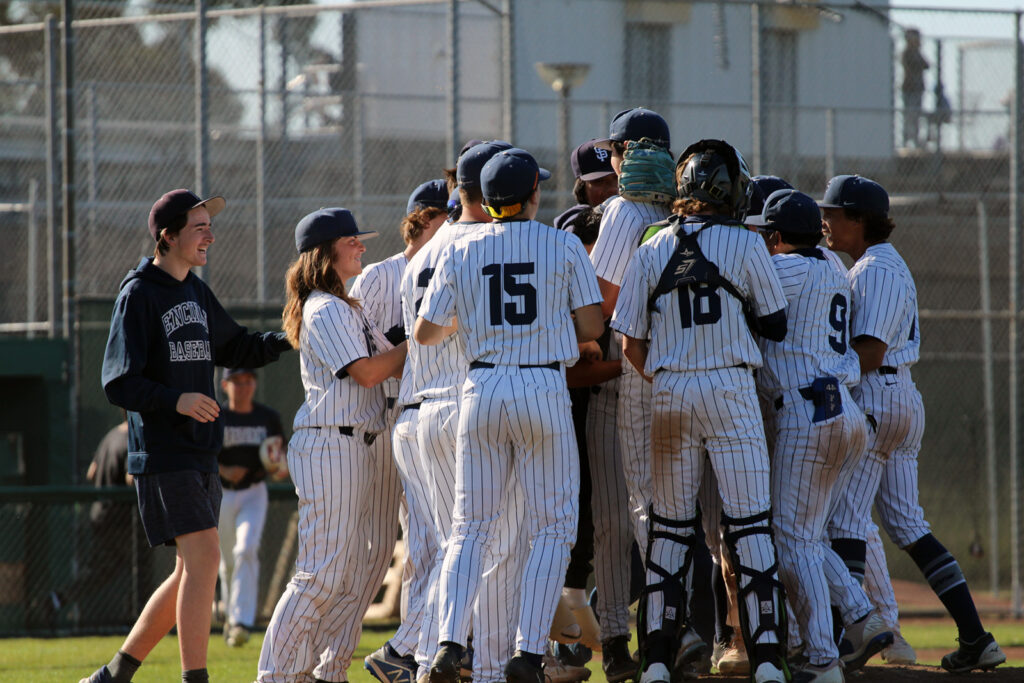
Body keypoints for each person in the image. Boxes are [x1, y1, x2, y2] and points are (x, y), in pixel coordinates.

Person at [81, 189, 293, 683]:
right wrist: (174, 399)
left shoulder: (195, 290)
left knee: (186, 574)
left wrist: (291, 334)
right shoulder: (139, 293)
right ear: (167, 236)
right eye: (199, 227)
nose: (210, 236)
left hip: (202, 453)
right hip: (164, 452)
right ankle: (195, 678)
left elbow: (237, 344)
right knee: (205, 560)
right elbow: (117, 380)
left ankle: (114, 674)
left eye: (208, 225)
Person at [416, 147, 604, 683]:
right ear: (531, 197)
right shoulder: (563, 243)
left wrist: (475, 325)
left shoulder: (460, 249)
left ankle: (449, 645)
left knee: (469, 527)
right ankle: (526, 652)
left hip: (482, 384)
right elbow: (591, 326)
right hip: (543, 384)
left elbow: (427, 333)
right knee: (552, 528)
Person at [611, 139, 789, 683]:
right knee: (751, 526)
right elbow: (777, 323)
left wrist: (669, 372)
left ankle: (658, 662)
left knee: (669, 530)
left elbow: (629, 343)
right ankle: (767, 664)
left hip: (670, 392)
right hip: (731, 390)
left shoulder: (650, 246)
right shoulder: (746, 244)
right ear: (726, 190)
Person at [821, 175, 1006, 674]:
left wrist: (820, 374)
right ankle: (976, 637)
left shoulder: (876, 269)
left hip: (880, 395)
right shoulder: (877, 265)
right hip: (898, 397)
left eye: (834, 213)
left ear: (859, 220)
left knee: (844, 523)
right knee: (907, 524)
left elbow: (871, 351)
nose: (826, 222)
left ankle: (848, 641)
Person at [747, 189, 894, 681]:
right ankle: (861, 614)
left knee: (791, 539)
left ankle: (823, 657)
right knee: (806, 537)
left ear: (776, 235)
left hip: (806, 413)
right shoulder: (834, 267)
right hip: (843, 410)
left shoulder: (783, 269)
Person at [257, 208, 407, 683]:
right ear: (325, 252)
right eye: (351, 240)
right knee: (319, 577)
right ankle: (275, 676)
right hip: (330, 444)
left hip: (354, 445)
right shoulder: (324, 305)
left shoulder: (345, 306)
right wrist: (423, 340)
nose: (362, 245)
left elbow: (389, 363)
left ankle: (313, 672)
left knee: (344, 578)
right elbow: (367, 373)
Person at [405, 140, 535, 683]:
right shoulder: (478, 242)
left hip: (420, 412)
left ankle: (415, 658)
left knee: (449, 553)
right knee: (497, 552)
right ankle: (479, 668)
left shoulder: (430, 246)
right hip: (466, 405)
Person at [588, 107, 675, 682]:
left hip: (625, 374)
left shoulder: (621, 211)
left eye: (616, 153)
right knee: (679, 513)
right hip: (685, 377)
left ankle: (623, 640)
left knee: (619, 520)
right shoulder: (690, 208)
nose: (614, 163)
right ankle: (688, 630)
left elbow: (598, 301)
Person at [360, 179, 449, 683]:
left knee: (429, 543)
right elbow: (359, 358)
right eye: (443, 216)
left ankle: (422, 649)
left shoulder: (456, 259)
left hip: (422, 413)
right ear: (421, 220)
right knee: (421, 546)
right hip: (390, 415)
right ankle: (409, 649)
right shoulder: (381, 276)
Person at [216, 367, 285, 648]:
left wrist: (279, 466)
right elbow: (202, 455)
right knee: (228, 561)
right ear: (225, 385)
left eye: (247, 381)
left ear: (255, 384)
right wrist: (223, 469)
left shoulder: (267, 418)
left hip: (254, 491)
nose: (243, 387)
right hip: (222, 492)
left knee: (245, 549)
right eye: (236, 382)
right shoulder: (216, 416)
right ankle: (231, 619)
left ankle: (242, 621)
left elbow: (280, 459)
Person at [571, 139, 619, 208]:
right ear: (582, 190)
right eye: (599, 181)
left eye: (617, 177)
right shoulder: (576, 217)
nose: (612, 189)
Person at [901, 28, 928, 148]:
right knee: (909, 116)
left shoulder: (918, 53)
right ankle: (906, 141)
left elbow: (926, 65)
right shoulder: (906, 53)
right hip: (909, 89)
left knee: (916, 116)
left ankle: (916, 141)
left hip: (918, 89)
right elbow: (910, 67)